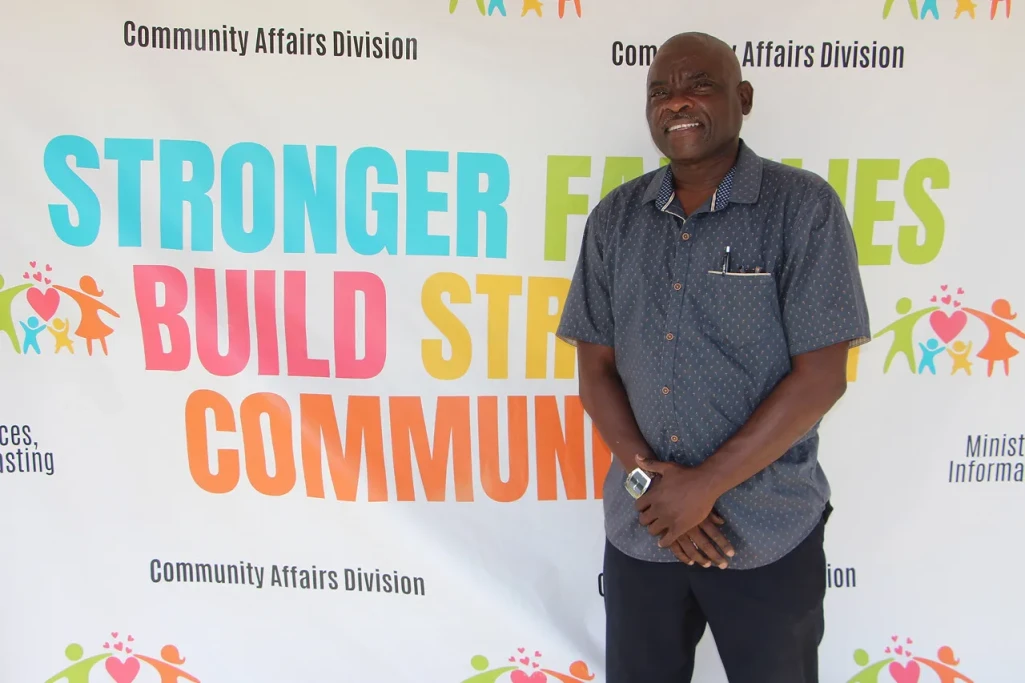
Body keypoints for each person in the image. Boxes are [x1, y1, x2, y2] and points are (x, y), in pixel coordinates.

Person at [556, 32, 871, 683]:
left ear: (742, 98)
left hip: (766, 531)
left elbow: (819, 378)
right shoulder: (615, 219)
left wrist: (702, 487)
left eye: (697, 83)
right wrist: (653, 485)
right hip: (643, 529)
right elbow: (595, 370)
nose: (676, 102)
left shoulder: (801, 209)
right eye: (659, 91)